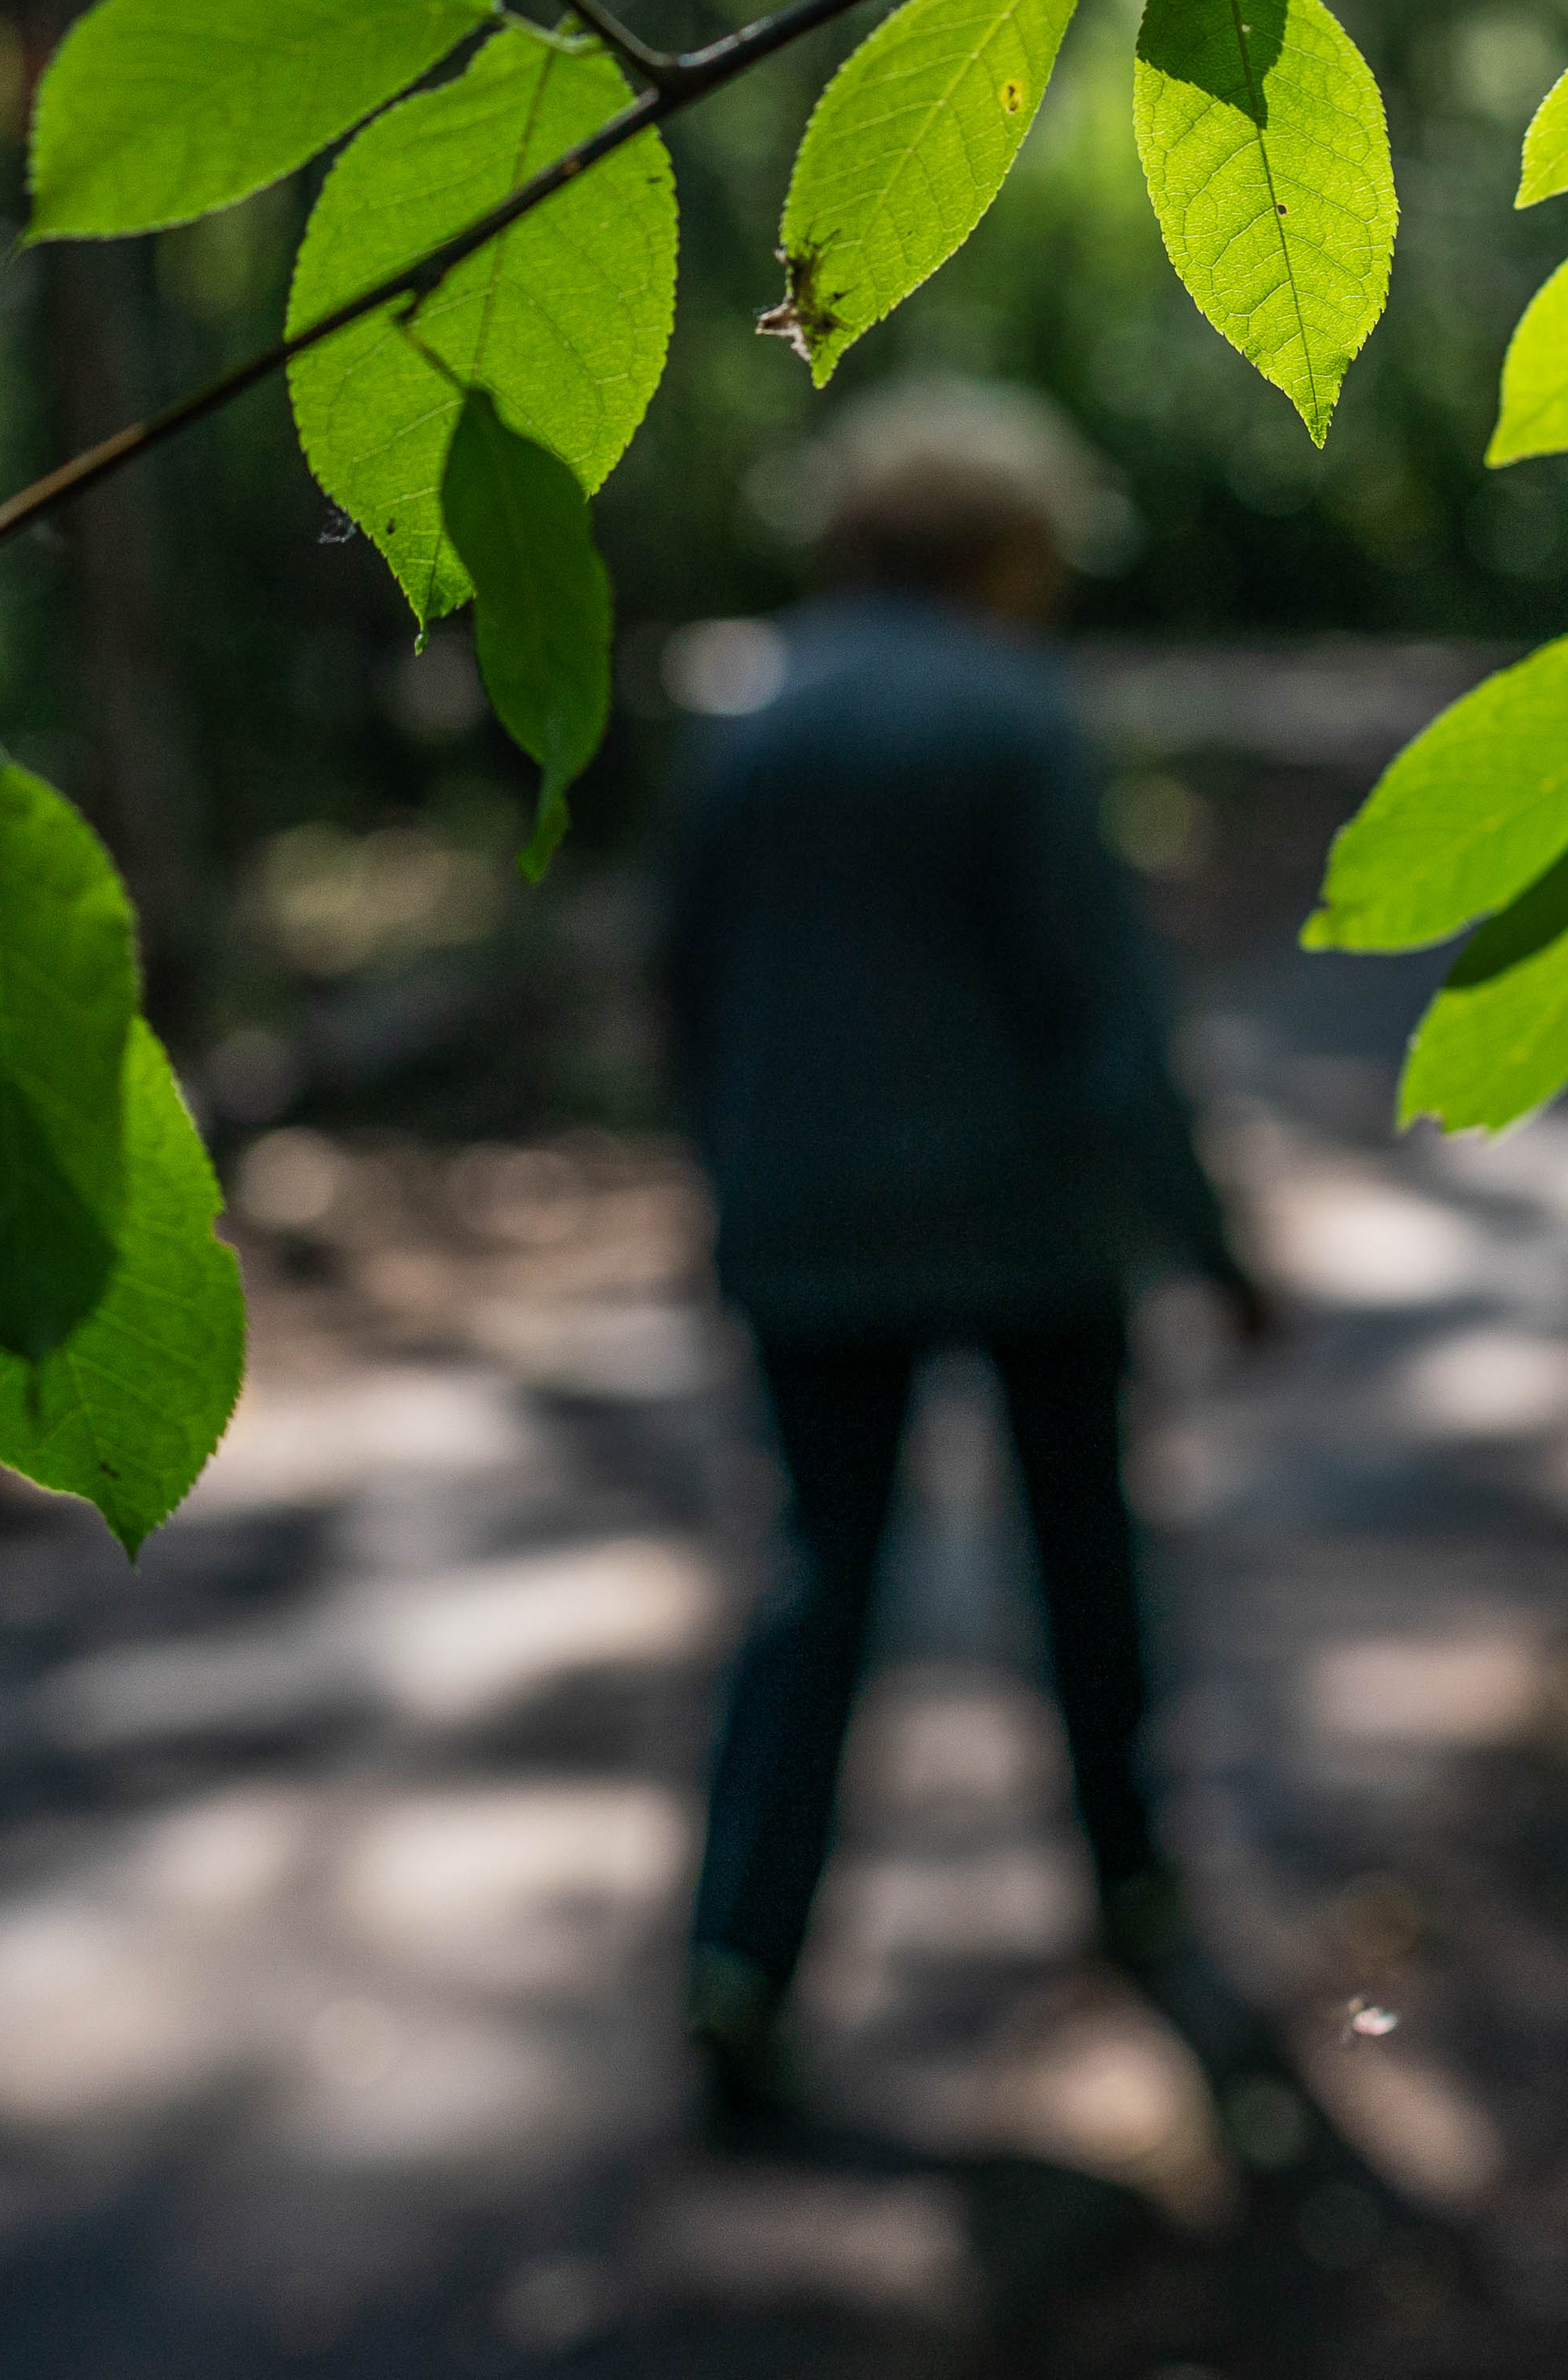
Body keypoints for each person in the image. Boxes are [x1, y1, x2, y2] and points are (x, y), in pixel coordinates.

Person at [660, 383, 1273, 2137]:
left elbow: (687, 992)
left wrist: (733, 1194)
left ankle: (738, 1958)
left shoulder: (752, 715)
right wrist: (1210, 1239)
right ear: (1002, 543)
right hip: (1032, 1227)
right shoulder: (1017, 719)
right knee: (1082, 1557)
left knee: (816, 1581)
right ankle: (1137, 1891)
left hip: (810, 1234)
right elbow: (1110, 1015)